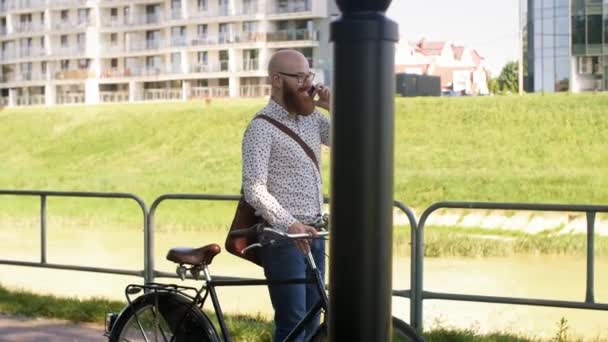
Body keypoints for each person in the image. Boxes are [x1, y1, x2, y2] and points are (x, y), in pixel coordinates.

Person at [241, 49, 331, 342]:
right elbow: (254, 188)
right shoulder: (260, 128)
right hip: (283, 239)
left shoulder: (312, 119)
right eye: (300, 77)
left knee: (314, 322)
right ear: (277, 80)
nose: (308, 84)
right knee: (292, 324)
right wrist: (290, 224)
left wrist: (333, 106)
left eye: (310, 75)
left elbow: (354, 141)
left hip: (314, 233)